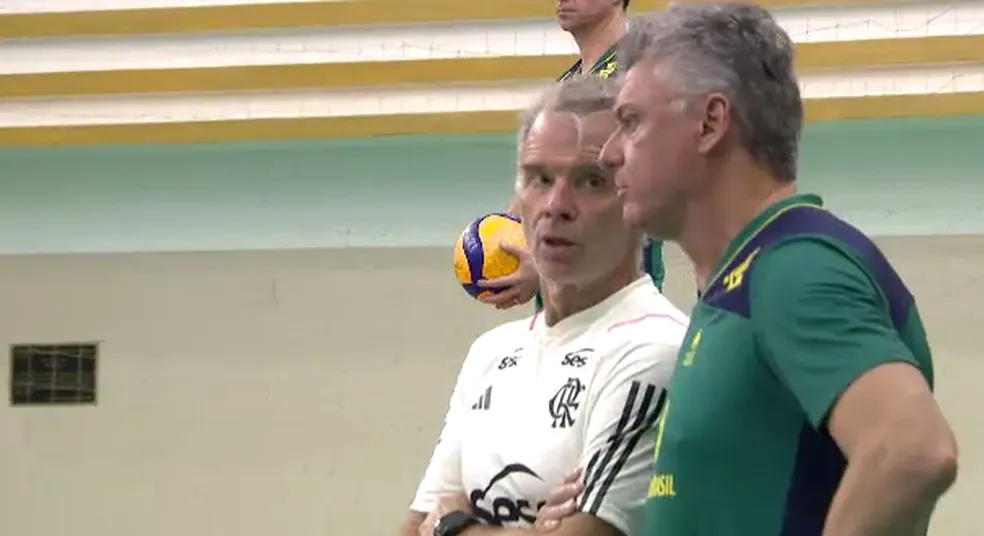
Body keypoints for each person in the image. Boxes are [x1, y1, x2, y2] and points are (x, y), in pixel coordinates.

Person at [536, 3, 959, 535]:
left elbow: (911, 449)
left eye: (631, 122)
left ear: (711, 123)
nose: (612, 153)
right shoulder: (736, 287)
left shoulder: (793, 267)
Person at [398, 77, 688, 536]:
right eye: (539, 178)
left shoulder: (655, 348)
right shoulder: (491, 352)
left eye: (592, 181)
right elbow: (412, 527)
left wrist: (456, 526)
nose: (556, 206)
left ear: (641, 201)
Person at [478, 0, 666, 311]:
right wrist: (503, 236)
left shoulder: (634, 74)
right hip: (561, 301)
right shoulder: (569, 84)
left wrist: (539, 266)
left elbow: (640, 192)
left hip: (616, 301)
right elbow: (535, 186)